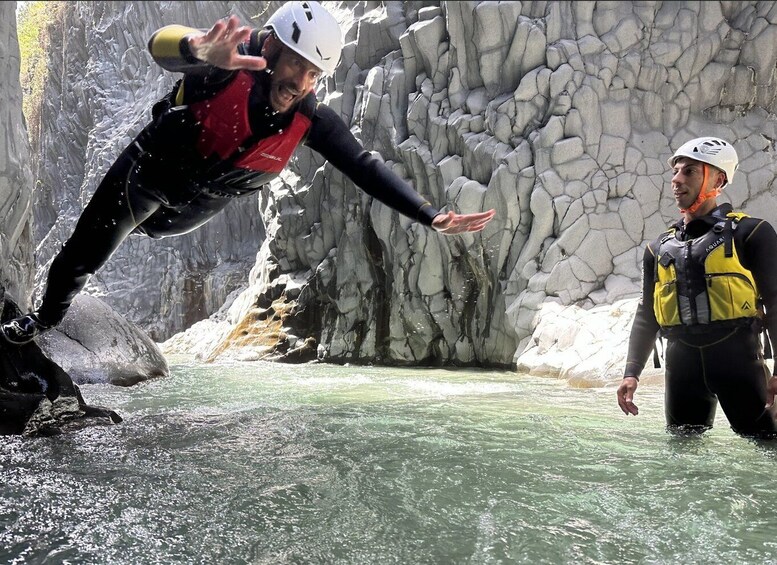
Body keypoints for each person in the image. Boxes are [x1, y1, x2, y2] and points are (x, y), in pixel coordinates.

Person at [2, 2, 495, 345]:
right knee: (79, 260)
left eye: (312, 75)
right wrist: (198, 50)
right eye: (296, 66)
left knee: (144, 229)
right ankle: (42, 321)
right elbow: (159, 44)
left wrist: (428, 215)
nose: (298, 84)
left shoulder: (312, 119)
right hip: (147, 180)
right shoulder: (226, 65)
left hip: (195, 209)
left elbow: (363, 166)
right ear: (273, 48)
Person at [616, 136, 777, 437]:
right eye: (675, 172)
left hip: (738, 362)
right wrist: (631, 373)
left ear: (718, 179)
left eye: (689, 171)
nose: (676, 180)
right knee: (683, 461)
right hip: (681, 367)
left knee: (767, 448)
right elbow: (647, 314)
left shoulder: (751, 233)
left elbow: (776, 301)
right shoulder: (658, 248)